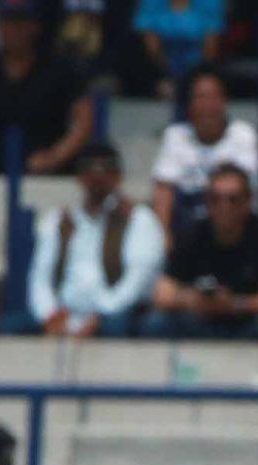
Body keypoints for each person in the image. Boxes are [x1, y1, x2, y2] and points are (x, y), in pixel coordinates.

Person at [19, 143, 165, 339]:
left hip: (112, 315)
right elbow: (40, 277)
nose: (97, 178)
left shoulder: (139, 219)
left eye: (106, 171)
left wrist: (99, 315)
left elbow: (135, 283)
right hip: (64, 314)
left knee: (120, 327)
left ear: (117, 176)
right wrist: (50, 314)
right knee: (10, 326)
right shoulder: (58, 221)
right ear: (79, 177)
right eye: (90, 171)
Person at [144, 164, 258, 341]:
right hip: (199, 318)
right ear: (206, 201)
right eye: (215, 199)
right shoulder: (191, 233)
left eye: (233, 199)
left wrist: (236, 304)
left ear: (248, 201)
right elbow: (162, 293)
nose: (224, 206)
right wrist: (194, 300)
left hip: (245, 319)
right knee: (155, 323)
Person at [0, 0, 91, 175]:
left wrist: (55, 156)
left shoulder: (61, 71)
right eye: (6, 22)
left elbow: (84, 120)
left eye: (20, 23)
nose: (12, 30)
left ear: (35, 26)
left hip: (51, 174)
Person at [151, 68, 258, 233]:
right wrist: (163, 237)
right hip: (189, 226)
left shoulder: (243, 134)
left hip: (237, 225)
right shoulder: (175, 136)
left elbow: (240, 188)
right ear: (190, 104)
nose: (208, 105)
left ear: (225, 101)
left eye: (214, 97)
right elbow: (163, 190)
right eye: (201, 98)